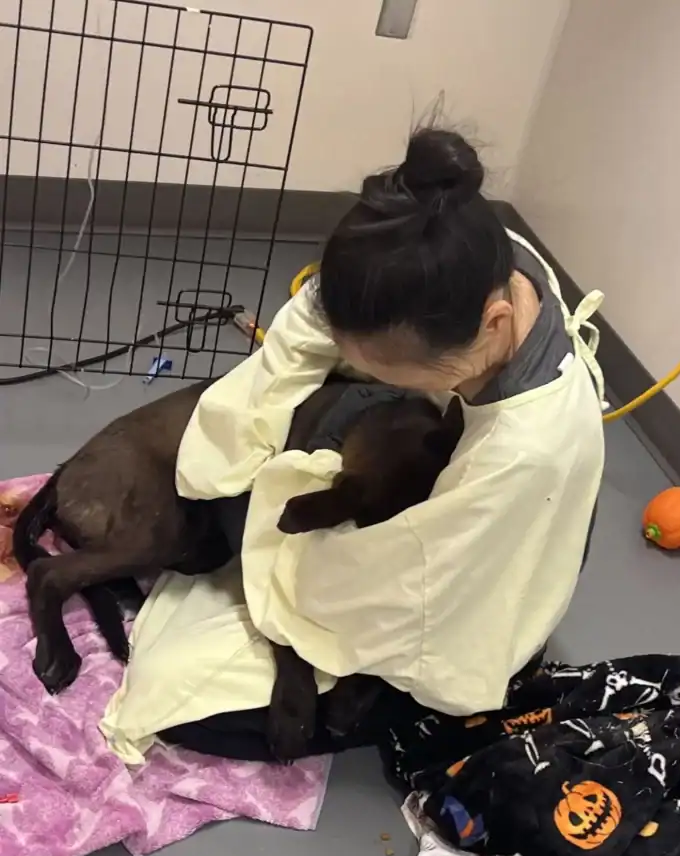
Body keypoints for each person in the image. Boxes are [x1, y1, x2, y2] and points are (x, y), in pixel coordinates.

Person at [100, 128, 605, 764]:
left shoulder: (523, 450)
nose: (378, 381)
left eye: (397, 376)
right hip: (468, 483)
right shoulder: (467, 253)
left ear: (492, 327)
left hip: (485, 575)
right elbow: (307, 329)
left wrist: (278, 560)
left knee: (197, 712)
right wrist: (232, 445)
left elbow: (407, 588)